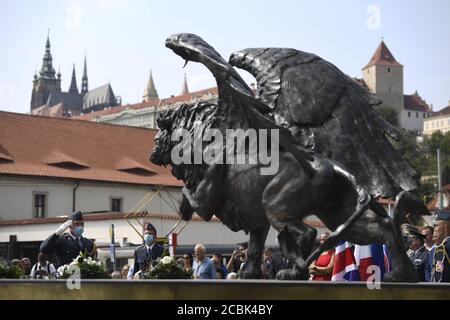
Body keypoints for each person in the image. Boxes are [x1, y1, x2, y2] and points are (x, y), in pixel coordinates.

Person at [430, 210, 450, 283]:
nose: (435, 229)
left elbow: (439, 278)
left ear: (445, 228)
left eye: (437, 226)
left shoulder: (443, 248)